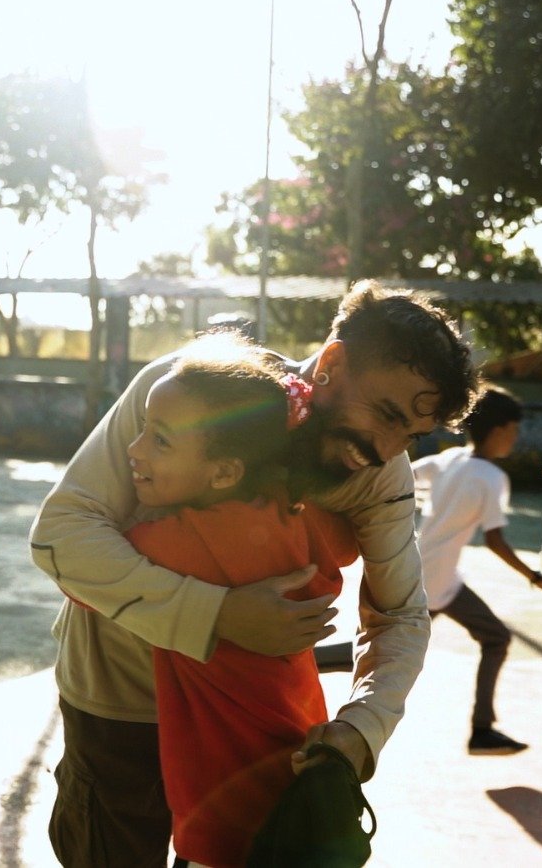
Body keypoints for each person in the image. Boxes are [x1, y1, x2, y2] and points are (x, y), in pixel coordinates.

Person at [29, 280, 476, 868]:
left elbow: (400, 615)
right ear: (333, 363)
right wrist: (218, 616)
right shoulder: (191, 388)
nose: (388, 449)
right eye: (386, 415)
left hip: (248, 735)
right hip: (122, 707)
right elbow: (64, 535)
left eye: (410, 436)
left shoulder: (379, 474)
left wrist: (361, 729)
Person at [110, 334, 357, 867]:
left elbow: (84, 579)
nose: (135, 450)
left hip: (224, 812)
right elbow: (345, 545)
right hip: (301, 775)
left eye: (160, 441)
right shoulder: (296, 513)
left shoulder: (177, 541)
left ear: (224, 471)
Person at [412, 385, 542, 756]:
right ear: (499, 431)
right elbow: (496, 541)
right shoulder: (493, 479)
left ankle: (483, 730)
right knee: (494, 640)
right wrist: (539, 579)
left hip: (424, 573)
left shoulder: (449, 460)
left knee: (376, 647)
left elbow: (402, 474)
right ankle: (481, 731)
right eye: (513, 431)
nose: (514, 439)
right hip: (434, 583)